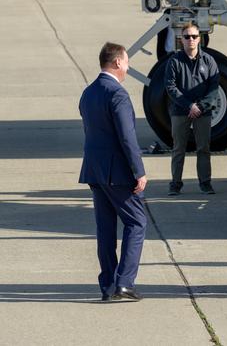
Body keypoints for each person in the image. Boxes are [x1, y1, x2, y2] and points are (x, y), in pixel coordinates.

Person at [79, 42, 148, 301]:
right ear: (117, 62)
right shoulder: (117, 94)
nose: (128, 67)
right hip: (117, 172)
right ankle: (125, 282)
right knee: (137, 222)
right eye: (127, 62)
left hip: (94, 171)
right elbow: (127, 137)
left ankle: (108, 285)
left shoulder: (89, 92)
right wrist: (138, 171)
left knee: (105, 229)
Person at [165, 23, 220, 196]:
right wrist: (189, 105)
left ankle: (205, 183)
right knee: (178, 148)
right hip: (181, 111)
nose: (191, 40)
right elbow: (171, 87)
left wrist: (200, 106)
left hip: (203, 112)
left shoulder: (209, 61)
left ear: (199, 39)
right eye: (187, 36)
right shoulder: (174, 61)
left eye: (194, 36)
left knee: (203, 147)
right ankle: (175, 184)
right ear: (181, 39)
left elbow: (214, 88)